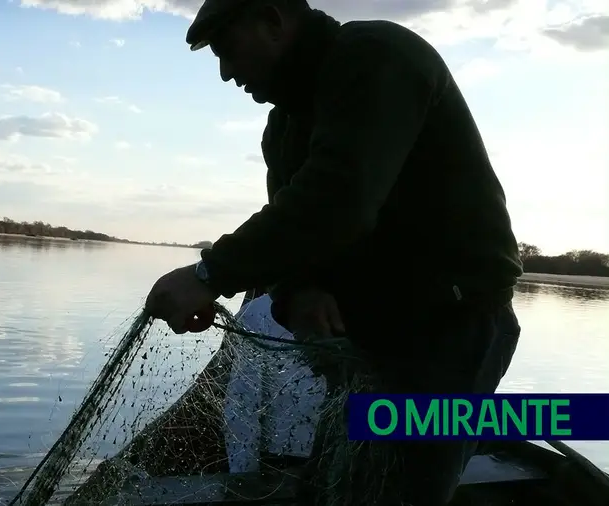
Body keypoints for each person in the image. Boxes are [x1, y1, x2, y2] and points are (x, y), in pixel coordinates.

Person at [144, 0, 524, 504]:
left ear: (274, 20)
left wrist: (211, 273)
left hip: (451, 333)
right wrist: (299, 290)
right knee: (333, 486)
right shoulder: (283, 127)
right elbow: (299, 233)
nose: (226, 72)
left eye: (228, 50)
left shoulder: (376, 54)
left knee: (397, 492)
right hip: (371, 342)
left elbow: (339, 198)